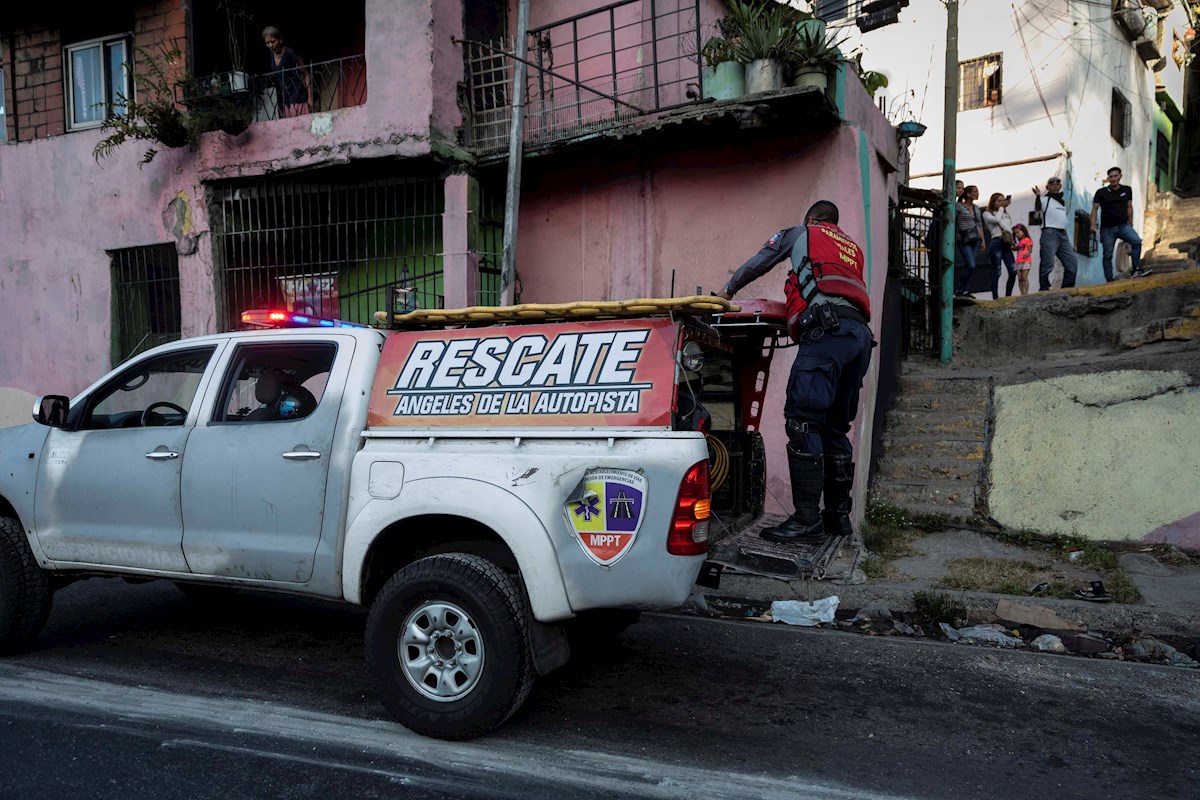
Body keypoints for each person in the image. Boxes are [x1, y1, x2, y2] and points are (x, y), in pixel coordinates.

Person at [715, 200, 874, 545]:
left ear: (812, 219)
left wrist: (726, 291)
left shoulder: (802, 233)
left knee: (802, 420)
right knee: (834, 427)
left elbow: (760, 261)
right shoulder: (852, 249)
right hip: (859, 338)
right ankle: (837, 518)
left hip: (827, 334)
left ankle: (806, 521)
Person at [1092, 166, 1151, 281]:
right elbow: (1094, 209)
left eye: (1116, 176)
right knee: (1107, 255)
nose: (1113, 178)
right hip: (1107, 229)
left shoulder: (1127, 190)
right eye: (1111, 177)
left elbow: (1129, 206)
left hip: (1123, 226)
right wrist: (1092, 225)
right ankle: (1109, 279)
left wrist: (1130, 222)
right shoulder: (1101, 192)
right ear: (1108, 178)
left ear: (1120, 176)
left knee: (1136, 242)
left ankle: (1136, 269)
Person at [1032, 176, 1078, 291]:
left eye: (1057, 184)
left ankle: (1067, 288)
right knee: (1048, 263)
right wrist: (1038, 196)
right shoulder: (1044, 199)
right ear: (1047, 187)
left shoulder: (1061, 201)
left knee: (1072, 263)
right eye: (1052, 184)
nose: (1055, 186)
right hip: (1050, 233)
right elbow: (1038, 208)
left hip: (1062, 234)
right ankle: (1044, 287)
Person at [263, 26, 312, 118]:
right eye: (267, 43)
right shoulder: (271, 54)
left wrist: (310, 98)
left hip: (298, 95)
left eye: (273, 41)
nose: (270, 45)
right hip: (285, 97)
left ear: (280, 40)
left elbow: (306, 74)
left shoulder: (290, 53)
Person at [982, 192, 1016, 298]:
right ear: (993, 202)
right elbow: (996, 220)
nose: (1001, 203)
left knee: (1013, 271)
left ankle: (1008, 295)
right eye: (999, 201)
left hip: (1006, 242)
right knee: (997, 270)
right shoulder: (987, 214)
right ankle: (995, 297)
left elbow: (1008, 229)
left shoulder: (1005, 214)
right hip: (996, 242)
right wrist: (1001, 208)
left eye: (1003, 200)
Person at [954, 185, 984, 297]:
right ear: (968, 194)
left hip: (975, 239)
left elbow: (979, 224)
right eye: (975, 192)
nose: (977, 193)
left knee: (971, 265)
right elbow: (954, 220)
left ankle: (965, 290)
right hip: (964, 239)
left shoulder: (976, 208)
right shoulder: (959, 206)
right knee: (971, 264)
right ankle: (960, 288)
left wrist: (983, 240)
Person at [1012, 224, 1033, 295]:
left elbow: (1030, 249)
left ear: (1023, 231)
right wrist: (1014, 247)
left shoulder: (1027, 240)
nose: (1017, 235)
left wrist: (1028, 253)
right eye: (1015, 234)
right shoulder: (1020, 242)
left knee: (1024, 277)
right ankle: (1022, 292)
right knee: (1019, 278)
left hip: (1026, 261)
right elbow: (1017, 249)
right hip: (1018, 261)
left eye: (1018, 232)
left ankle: (1026, 292)